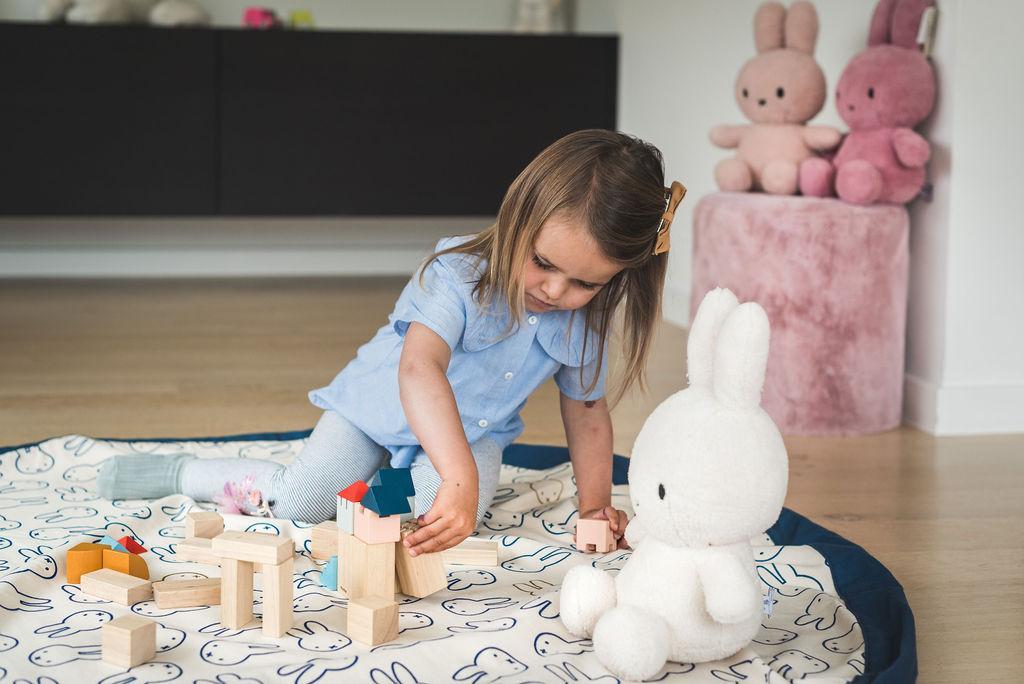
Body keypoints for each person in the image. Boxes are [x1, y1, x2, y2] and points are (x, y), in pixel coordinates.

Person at [97, 129, 685, 557]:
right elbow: (419, 370)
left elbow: (586, 411)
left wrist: (593, 506)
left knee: (453, 518)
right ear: (517, 219)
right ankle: (185, 472)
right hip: (374, 414)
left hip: (470, 432)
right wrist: (457, 476)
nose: (556, 291)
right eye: (543, 263)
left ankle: (376, 493)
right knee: (301, 500)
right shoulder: (454, 273)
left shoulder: (587, 321)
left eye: (586, 283)